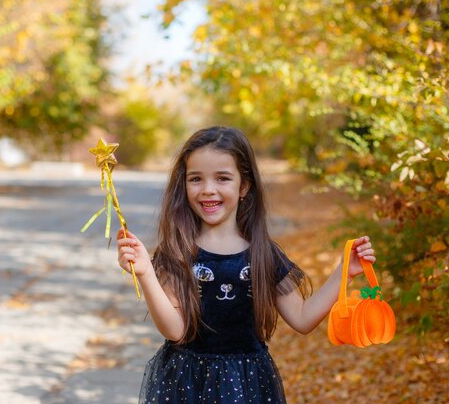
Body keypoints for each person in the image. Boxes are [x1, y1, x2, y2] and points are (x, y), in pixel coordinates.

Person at [116, 126, 376, 404]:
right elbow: (175, 330)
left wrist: (343, 274)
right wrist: (145, 273)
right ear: (184, 184)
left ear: (244, 186)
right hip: (188, 384)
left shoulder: (263, 255)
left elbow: (302, 318)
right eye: (196, 179)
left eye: (222, 178)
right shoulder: (177, 253)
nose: (208, 190)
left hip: (248, 383)